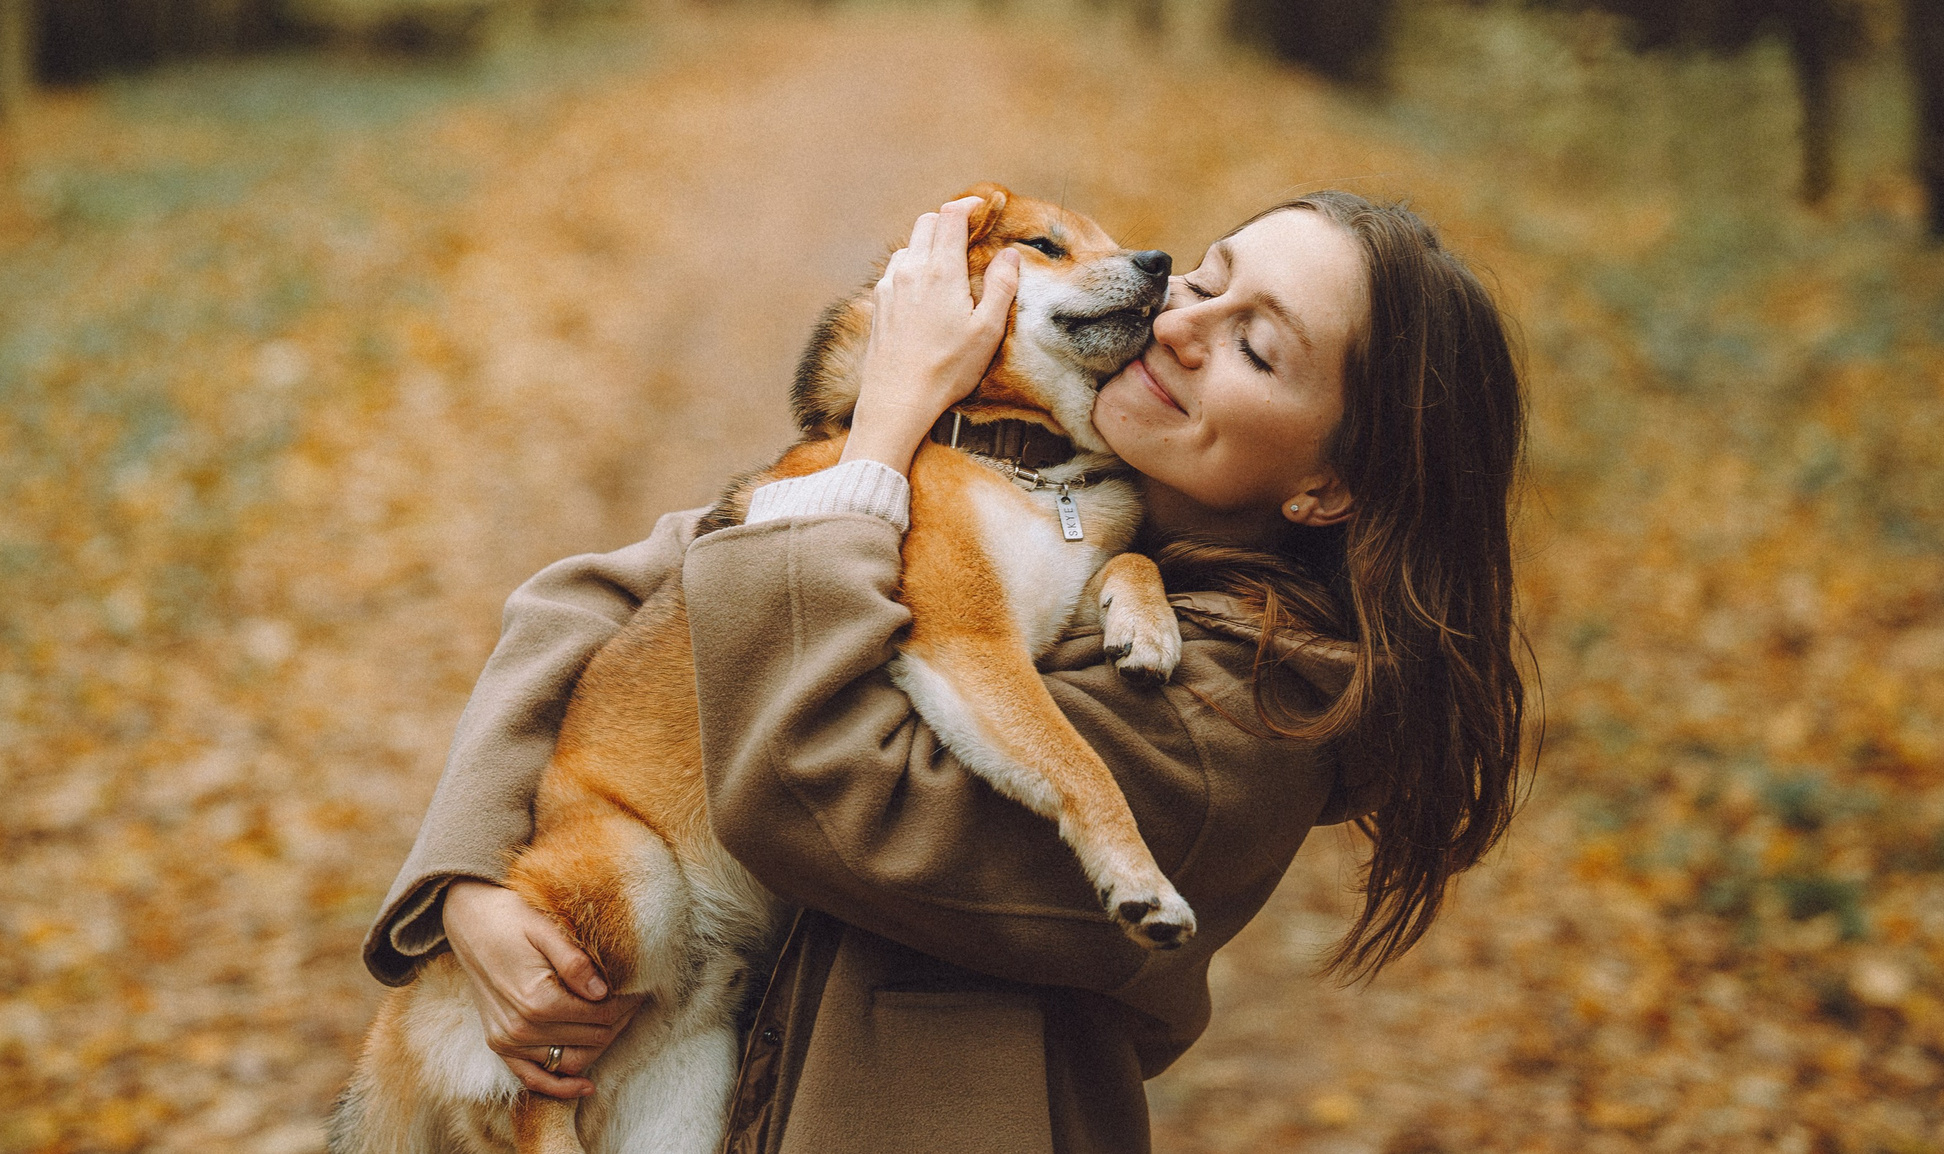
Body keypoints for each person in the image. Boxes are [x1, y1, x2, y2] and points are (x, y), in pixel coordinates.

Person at [358, 191, 1528, 1153]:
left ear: (1328, 486)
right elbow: (595, 597)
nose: (1180, 322)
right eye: (1206, 278)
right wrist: (465, 885)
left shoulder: (1245, 714)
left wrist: (879, 433)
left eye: (1256, 346)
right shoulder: (1055, 497)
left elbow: (818, 786)